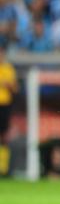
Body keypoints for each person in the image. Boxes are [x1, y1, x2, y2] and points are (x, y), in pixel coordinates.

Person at [0, 42, 18, 176]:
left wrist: (7, 84)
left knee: (4, 137)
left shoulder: (8, 69)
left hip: (5, 106)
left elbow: (14, 88)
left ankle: (3, 168)